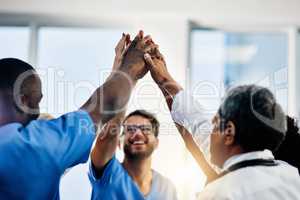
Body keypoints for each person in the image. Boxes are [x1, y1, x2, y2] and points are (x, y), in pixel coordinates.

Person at [0, 31, 155, 199]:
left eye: (145, 129)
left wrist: (120, 72)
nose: (138, 134)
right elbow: (105, 106)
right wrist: (129, 67)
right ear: (23, 101)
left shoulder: (166, 187)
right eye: (36, 102)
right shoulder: (30, 145)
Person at [144, 49, 300, 199]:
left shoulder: (219, 193)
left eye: (216, 124)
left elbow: (199, 126)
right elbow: (197, 123)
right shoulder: (293, 178)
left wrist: (165, 81)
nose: (211, 132)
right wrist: (165, 81)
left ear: (229, 133)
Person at [89, 109, 178, 200]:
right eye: (130, 129)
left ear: (156, 143)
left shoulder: (168, 188)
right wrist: (120, 99)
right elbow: (107, 137)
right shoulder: (107, 173)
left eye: (146, 129)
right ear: (119, 143)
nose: (138, 134)